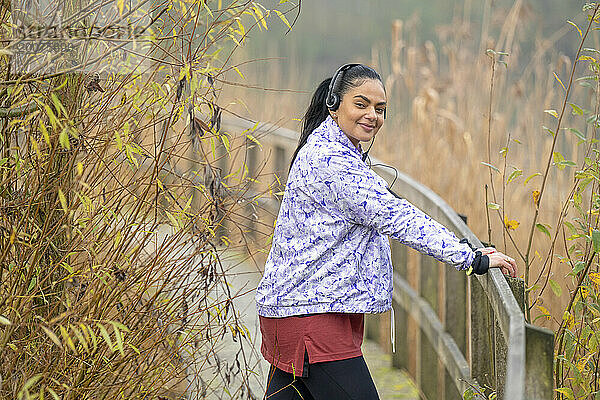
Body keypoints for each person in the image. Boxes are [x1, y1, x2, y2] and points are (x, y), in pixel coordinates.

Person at [255, 63, 517, 399]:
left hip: (296, 311)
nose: (372, 116)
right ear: (334, 104)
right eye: (361, 104)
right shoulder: (334, 162)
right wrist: (470, 256)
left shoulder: (329, 151)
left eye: (380, 109)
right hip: (312, 318)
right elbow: (400, 217)